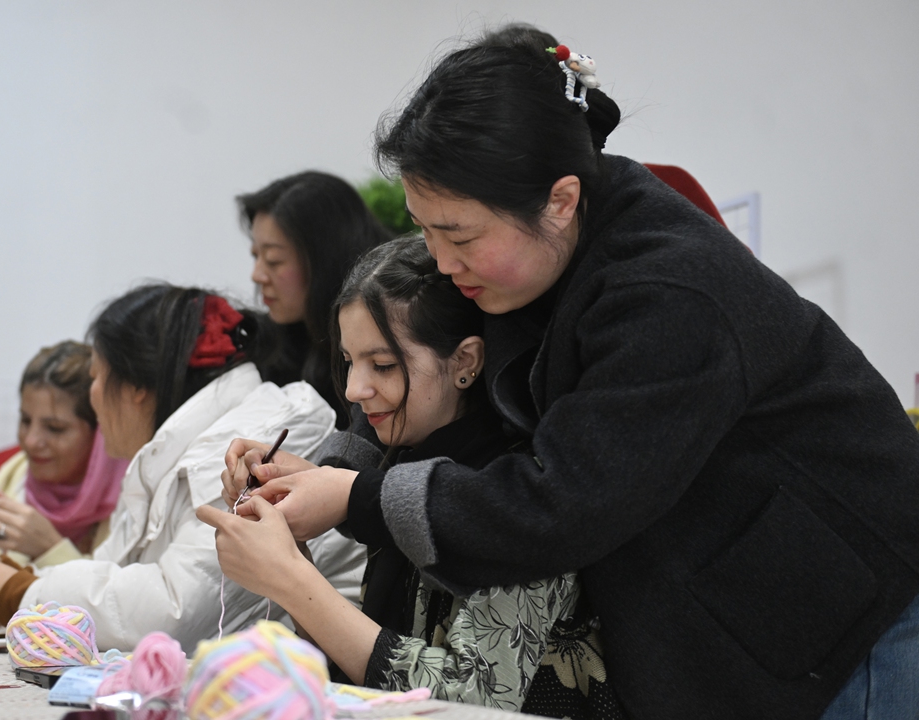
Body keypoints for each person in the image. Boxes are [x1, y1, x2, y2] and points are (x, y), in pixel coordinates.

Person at [219, 24, 919, 720]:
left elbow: (561, 506)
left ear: (558, 200)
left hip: (844, 617)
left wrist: (354, 497)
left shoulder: (671, 293)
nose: (439, 260)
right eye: (423, 227)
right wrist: (325, 473)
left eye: (457, 236)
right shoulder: (526, 251)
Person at [202, 238, 623, 717]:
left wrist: (292, 580)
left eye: (382, 365)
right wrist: (287, 549)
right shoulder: (399, 463)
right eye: (348, 361)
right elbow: (360, 677)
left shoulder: (515, 492)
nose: (358, 390)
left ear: (465, 361)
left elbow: (474, 701)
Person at [0, 285, 365, 652]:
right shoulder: (172, 453)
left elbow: (174, 613)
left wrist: (14, 591)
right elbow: (117, 573)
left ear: (139, 388)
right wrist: (4, 572)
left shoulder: (247, 441)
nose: (93, 398)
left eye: (97, 378)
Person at [0, 341, 128, 567]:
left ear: (98, 434)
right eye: (25, 421)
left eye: (55, 428)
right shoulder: (5, 485)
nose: (31, 441)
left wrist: (51, 549)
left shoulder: (130, 502)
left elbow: (118, 598)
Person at [239, 171, 392, 425]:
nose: (257, 276)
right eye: (256, 256)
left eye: (274, 260)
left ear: (324, 259)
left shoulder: (390, 334)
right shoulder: (272, 345)